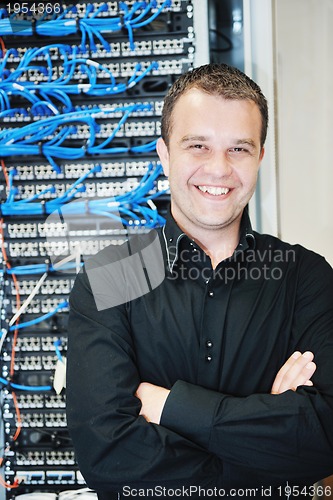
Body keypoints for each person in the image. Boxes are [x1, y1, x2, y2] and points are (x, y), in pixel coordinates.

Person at [66, 63, 333, 500]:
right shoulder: (111, 279)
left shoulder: (306, 278)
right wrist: (269, 454)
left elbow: (326, 436)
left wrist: (170, 407)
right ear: (165, 154)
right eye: (197, 146)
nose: (218, 168)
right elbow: (109, 458)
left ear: (260, 157)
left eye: (239, 149)